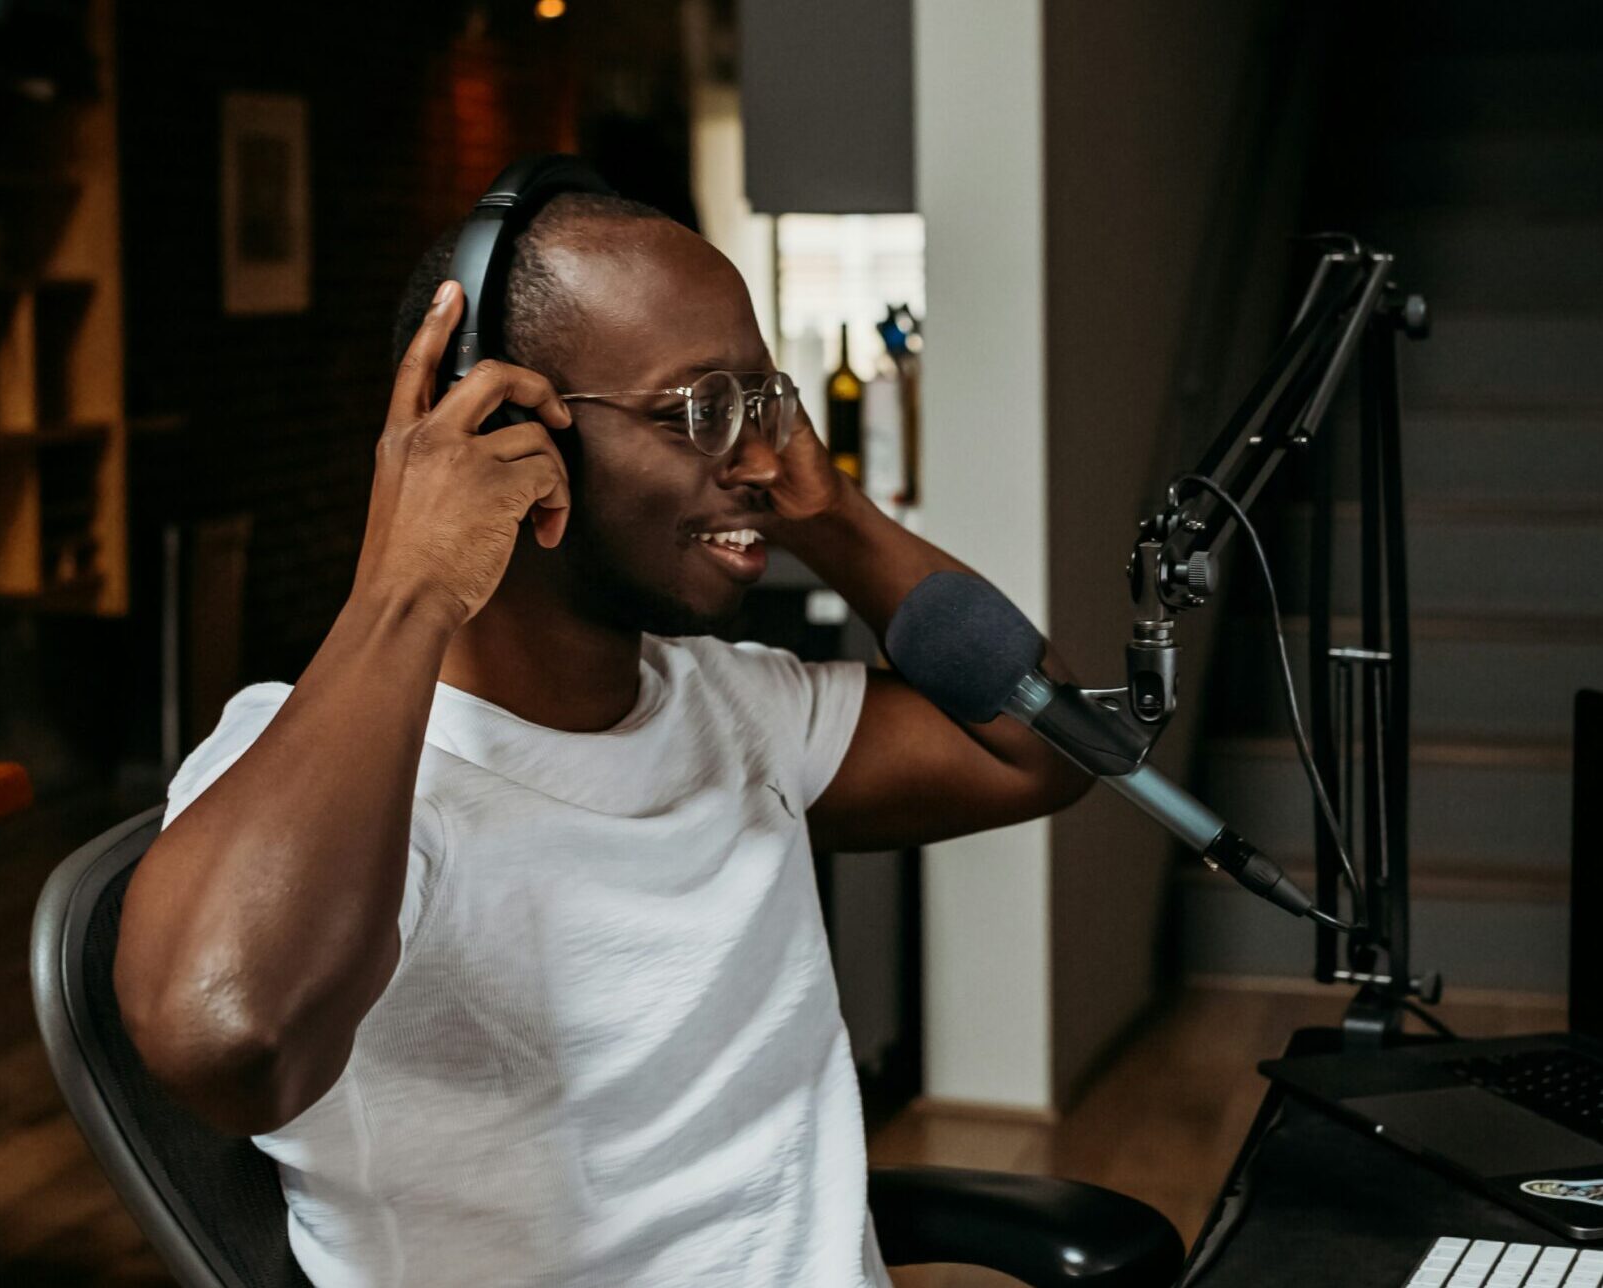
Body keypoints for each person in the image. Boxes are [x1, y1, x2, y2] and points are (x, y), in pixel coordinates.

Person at [114, 190, 1092, 1288]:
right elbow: (228, 1039)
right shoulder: (322, 769)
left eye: (760, 400)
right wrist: (408, 584)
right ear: (503, 432)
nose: (759, 453)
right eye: (697, 409)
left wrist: (830, 514)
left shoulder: (735, 708)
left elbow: (1043, 743)